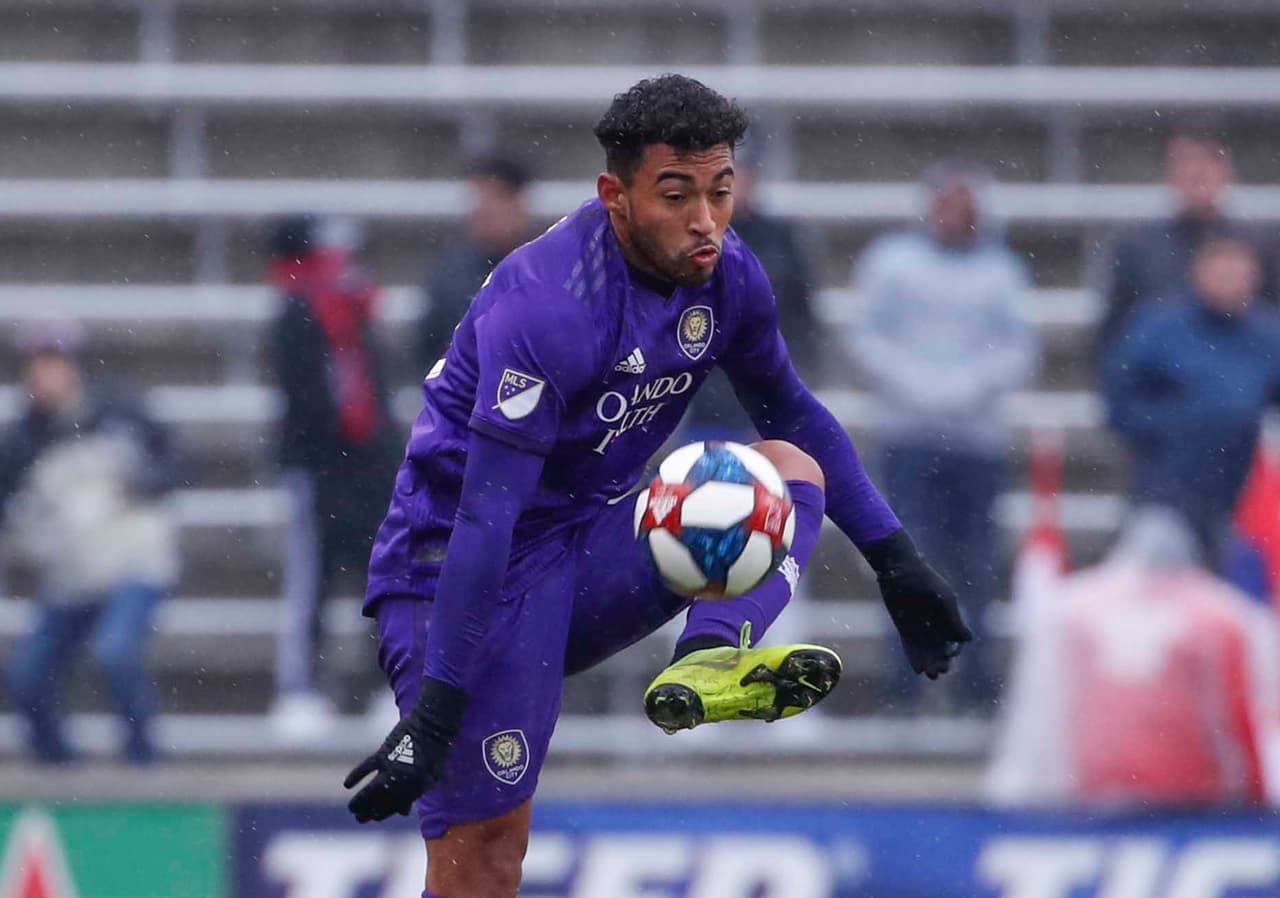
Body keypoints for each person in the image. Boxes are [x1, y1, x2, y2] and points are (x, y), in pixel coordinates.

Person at [343, 75, 970, 898]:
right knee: (486, 863)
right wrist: (435, 710)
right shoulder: (548, 306)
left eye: (721, 190)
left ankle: (710, 656)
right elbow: (486, 518)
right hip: (454, 576)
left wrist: (896, 564)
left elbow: (792, 409)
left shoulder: (728, 272)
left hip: (580, 541)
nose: (705, 219)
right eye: (677, 196)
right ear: (617, 196)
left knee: (786, 466)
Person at [849, 160, 1038, 713]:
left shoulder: (1002, 272)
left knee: (977, 566)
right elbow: (865, 337)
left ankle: (977, 686)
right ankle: (903, 685)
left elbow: (1019, 349)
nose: (954, 214)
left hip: (978, 442)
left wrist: (969, 387)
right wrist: (914, 383)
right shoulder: (891, 262)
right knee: (906, 562)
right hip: (908, 437)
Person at [988, 506, 1280, 807]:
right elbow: (1241, 722)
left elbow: (1038, 715)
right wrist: (1253, 800)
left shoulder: (1071, 610)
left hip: (1101, 798)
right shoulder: (1227, 617)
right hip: (1187, 802)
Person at [2, 321, 180, 764]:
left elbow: (176, 463)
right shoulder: (21, 442)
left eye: (54, 361)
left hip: (133, 564)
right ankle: (61, 770)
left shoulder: (119, 411)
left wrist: (143, 482)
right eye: (37, 364)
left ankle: (144, 762)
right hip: (72, 578)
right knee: (26, 675)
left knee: (116, 651)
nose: (45, 373)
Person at [267, 217, 400, 735]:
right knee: (312, 581)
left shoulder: (355, 306)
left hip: (366, 467)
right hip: (322, 468)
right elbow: (303, 399)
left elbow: (375, 390)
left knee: (380, 580)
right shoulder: (299, 312)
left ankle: (384, 685)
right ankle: (300, 689)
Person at [1102, 231, 1280, 558]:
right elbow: (1120, 403)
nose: (1228, 277)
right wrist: (1183, 427)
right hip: (1168, 495)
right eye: (1219, 266)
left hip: (1249, 504)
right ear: (1197, 270)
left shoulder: (1269, 334)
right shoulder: (1159, 326)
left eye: (1237, 268)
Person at [680, 146, 823, 442]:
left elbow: (801, 318)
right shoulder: (685, 237)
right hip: (702, 398)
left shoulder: (781, 239)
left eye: (739, 174)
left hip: (764, 392)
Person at [1095, 125, 1278, 355]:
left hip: (1243, 372)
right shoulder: (1136, 248)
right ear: (1168, 171)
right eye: (1185, 161)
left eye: (1209, 160)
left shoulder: (1262, 245)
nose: (1196, 172)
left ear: (1228, 169)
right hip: (1160, 372)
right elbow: (1115, 336)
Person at [416, 156, 534, 372]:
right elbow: (426, 351)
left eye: (494, 197)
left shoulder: (549, 268)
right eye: (478, 197)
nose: (482, 209)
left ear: (519, 204)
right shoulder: (451, 275)